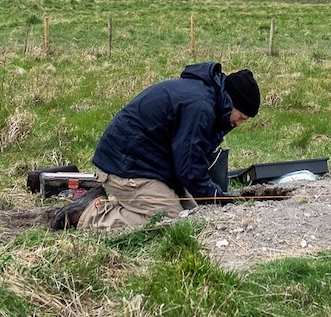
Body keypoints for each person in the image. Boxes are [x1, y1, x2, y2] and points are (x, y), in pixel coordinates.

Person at [53, 61, 260, 231]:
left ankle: (107, 202)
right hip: (126, 169)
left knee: (195, 211)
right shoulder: (200, 107)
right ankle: (88, 215)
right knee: (171, 220)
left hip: (148, 167)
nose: (239, 123)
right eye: (240, 117)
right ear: (230, 101)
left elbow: (189, 160)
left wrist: (212, 196)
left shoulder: (209, 99)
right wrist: (217, 197)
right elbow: (189, 168)